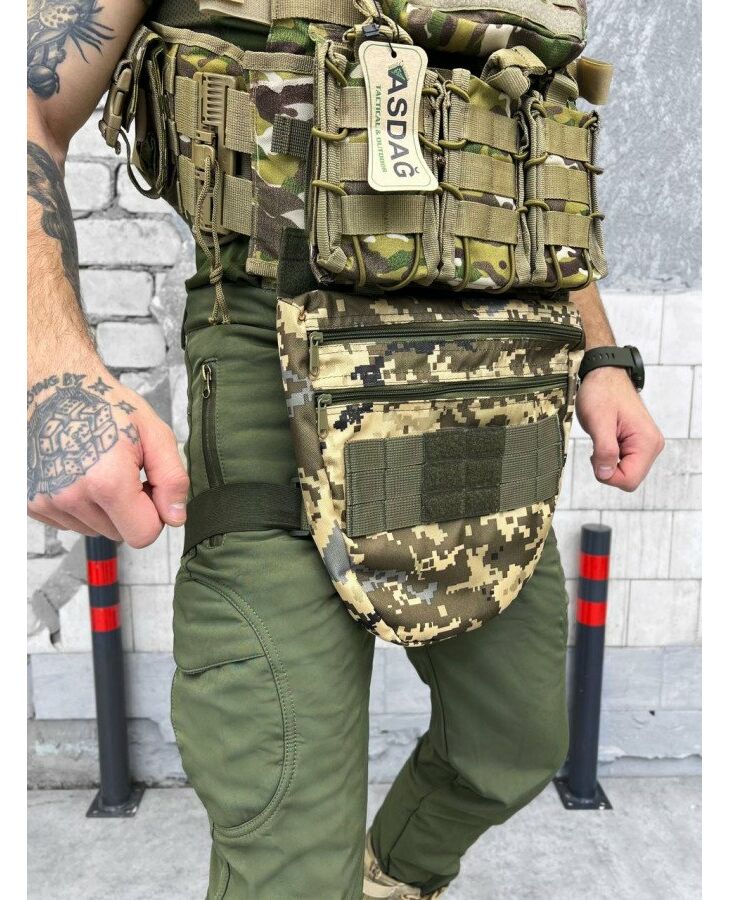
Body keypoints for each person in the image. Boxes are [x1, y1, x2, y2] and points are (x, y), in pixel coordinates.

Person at [27, 2, 665, 897]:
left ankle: (389, 878)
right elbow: (27, 104)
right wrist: (50, 368)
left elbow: (528, 158)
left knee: (514, 744)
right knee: (287, 853)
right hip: (282, 350)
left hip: (499, 377)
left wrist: (598, 354)